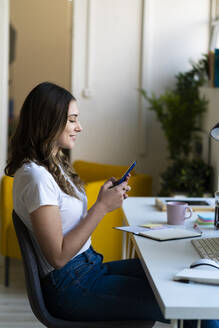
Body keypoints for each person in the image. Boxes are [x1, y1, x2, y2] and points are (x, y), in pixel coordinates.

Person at [5, 82, 168, 322]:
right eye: (72, 120)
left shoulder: (53, 166)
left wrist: (102, 198)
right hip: (70, 285)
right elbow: (58, 257)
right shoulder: (36, 177)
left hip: (88, 268)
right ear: (48, 121)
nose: (79, 128)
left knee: (170, 276)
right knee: (177, 299)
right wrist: (102, 207)